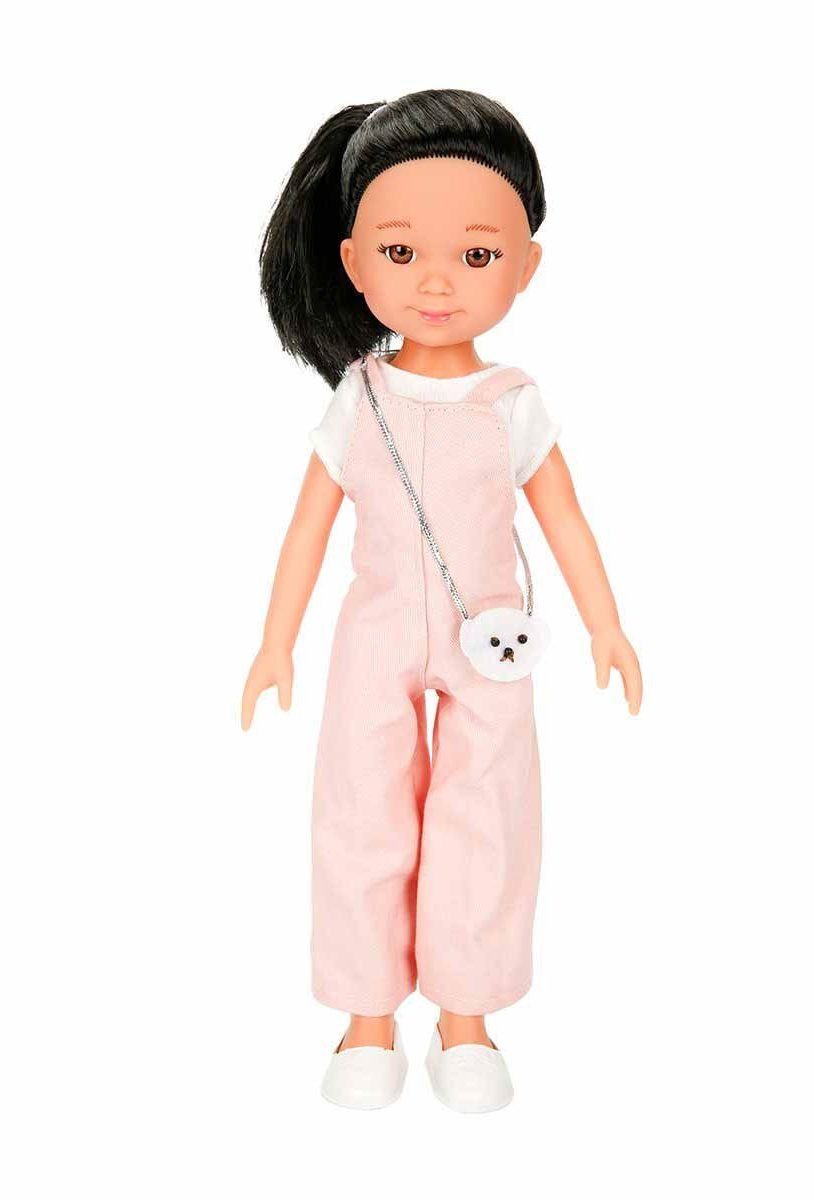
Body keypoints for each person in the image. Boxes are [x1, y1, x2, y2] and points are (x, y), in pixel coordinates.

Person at [242, 89, 642, 1113]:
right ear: (352, 261)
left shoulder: (513, 401)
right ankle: (366, 1018)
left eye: (476, 255)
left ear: (526, 265)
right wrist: (275, 642)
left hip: (490, 642)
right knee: (358, 810)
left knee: (489, 814)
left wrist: (606, 625)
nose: (435, 282)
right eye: (400, 251)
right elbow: (306, 527)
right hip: (373, 635)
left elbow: (565, 517)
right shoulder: (359, 398)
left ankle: (466, 1019)